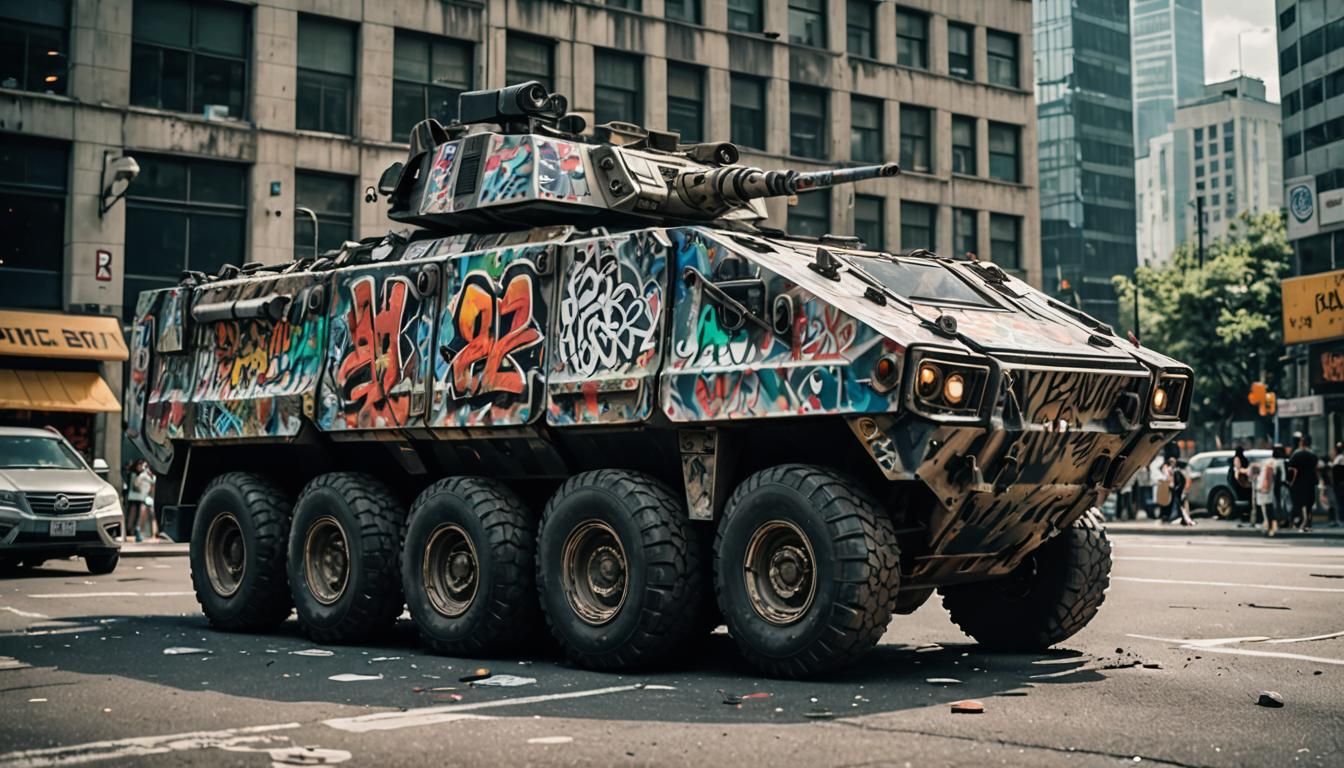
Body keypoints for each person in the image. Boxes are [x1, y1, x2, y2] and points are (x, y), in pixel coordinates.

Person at [1287, 434, 1320, 533]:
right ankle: (1308, 522)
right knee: (1309, 504)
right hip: (1310, 482)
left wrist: (1291, 482)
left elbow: (1293, 470)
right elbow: (1316, 469)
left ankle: (1299, 522)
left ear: (1301, 443)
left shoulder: (1296, 454)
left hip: (1298, 482)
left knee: (1298, 503)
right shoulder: (1313, 455)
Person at [130, 461, 157, 542]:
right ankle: (140, 532)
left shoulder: (148, 476)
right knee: (145, 515)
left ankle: (152, 534)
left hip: (149, 497)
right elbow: (136, 485)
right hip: (145, 497)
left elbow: (137, 484)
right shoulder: (143, 476)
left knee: (151, 516)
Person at [1256, 449, 1280, 536]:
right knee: (1269, 508)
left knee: (1266, 508)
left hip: (1265, 489)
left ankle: (1269, 527)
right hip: (1269, 489)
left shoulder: (1266, 462)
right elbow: (1268, 477)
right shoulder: (1274, 463)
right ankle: (1270, 528)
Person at [1331, 442, 1344, 528]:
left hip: (1339, 484)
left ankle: (1341, 520)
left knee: (1340, 502)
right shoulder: (1339, 458)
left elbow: (1336, 472)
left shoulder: (1339, 459)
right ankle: (1339, 519)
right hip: (1339, 483)